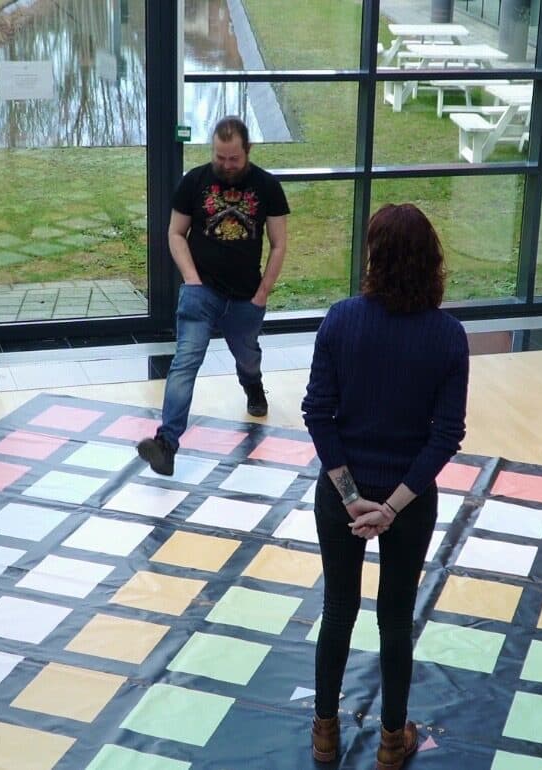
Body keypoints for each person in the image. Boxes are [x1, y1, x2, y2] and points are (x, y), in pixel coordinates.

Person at [301, 204, 468, 769]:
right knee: (395, 618)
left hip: (340, 495)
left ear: (374, 256)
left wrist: (352, 498)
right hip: (410, 500)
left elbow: (317, 413)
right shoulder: (448, 337)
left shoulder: (340, 319)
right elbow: (446, 435)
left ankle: (324, 734)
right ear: (431, 261)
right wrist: (391, 507)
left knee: (338, 608)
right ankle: (393, 742)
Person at [136, 116, 289, 476]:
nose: (226, 165)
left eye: (233, 158)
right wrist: (191, 280)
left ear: (248, 150)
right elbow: (175, 233)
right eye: (220, 157)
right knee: (185, 362)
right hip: (200, 293)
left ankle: (252, 385)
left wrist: (263, 293)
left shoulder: (267, 187)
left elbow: (279, 244)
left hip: (246, 297)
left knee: (247, 356)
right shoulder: (194, 181)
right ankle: (166, 443)